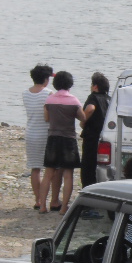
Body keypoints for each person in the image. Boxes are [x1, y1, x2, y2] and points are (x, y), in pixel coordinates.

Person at [40, 71, 85, 215]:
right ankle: (64, 207)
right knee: (68, 174)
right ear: (70, 84)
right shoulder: (74, 100)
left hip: (53, 137)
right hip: (68, 138)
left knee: (48, 173)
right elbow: (83, 118)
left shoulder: (49, 100)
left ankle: (42, 205)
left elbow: (46, 118)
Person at [23, 63, 60, 211]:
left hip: (31, 133)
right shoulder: (49, 93)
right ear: (46, 79)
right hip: (46, 133)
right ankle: (53, 200)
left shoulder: (25, 93)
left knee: (35, 168)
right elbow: (50, 115)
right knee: (52, 169)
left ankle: (38, 200)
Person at [80, 72, 110, 190]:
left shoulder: (93, 97)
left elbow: (90, 109)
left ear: (95, 86)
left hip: (92, 135)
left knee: (88, 165)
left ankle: (88, 189)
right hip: (106, 136)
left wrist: (83, 121)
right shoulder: (109, 99)